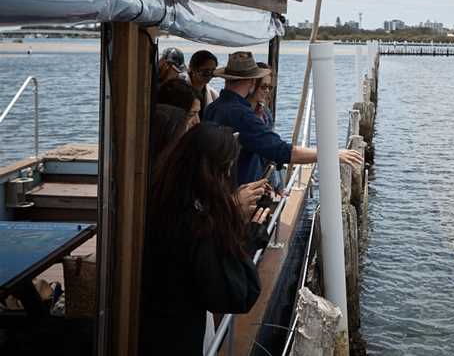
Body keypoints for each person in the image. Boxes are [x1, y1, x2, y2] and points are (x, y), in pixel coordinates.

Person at [140, 123, 271, 355]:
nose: (230, 175)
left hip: (147, 326)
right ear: (214, 171)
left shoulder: (157, 197)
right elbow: (233, 295)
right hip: (177, 337)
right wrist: (247, 236)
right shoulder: (197, 225)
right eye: (227, 168)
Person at [203, 51, 362, 187]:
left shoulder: (212, 108)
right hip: (238, 194)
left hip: (215, 188)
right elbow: (281, 151)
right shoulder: (242, 115)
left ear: (227, 79)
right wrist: (330, 154)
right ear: (252, 81)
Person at [246, 62, 274, 131]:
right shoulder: (242, 112)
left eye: (269, 87)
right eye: (264, 87)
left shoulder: (265, 110)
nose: (267, 91)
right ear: (252, 84)